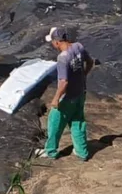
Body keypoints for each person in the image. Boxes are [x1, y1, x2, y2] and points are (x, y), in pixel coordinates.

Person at [38, 27, 93, 161]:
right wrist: (83, 75)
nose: (52, 44)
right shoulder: (78, 47)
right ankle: (82, 152)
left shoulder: (63, 58)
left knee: (54, 122)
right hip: (80, 93)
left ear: (57, 42)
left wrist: (56, 99)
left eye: (52, 42)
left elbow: (63, 82)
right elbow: (90, 62)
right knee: (78, 122)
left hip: (67, 98)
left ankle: (50, 151)